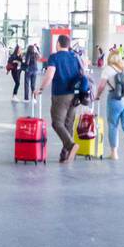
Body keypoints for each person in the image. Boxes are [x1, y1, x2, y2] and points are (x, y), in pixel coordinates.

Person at [36, 33, 84, 164]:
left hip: (60, 95)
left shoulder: (54, 57)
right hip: (75, 95)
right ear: (68, 45)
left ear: (58, 44)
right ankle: (65, 155)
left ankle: (70, 145)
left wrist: (40, 89)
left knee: (57, 123)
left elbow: (50, 75)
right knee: (68, 124)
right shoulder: (75, 57)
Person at [96, 49, 124, 162]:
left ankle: (114, 153)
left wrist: (97, 96)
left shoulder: (107, 69)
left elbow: (101, 86)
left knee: (113, 125)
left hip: (115, 99)